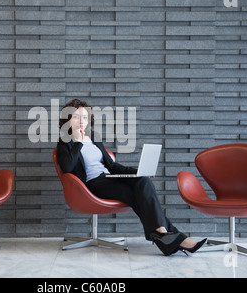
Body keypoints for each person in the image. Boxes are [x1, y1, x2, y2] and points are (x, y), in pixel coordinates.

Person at [56, 98, 206, 256]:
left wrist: (139, 171)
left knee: (143, 181)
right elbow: (67, 167)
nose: (81, 121)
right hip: (92, 184)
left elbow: (112, 166)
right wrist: (78, 141)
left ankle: (163, 235)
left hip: (108, 177)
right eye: (76, 117)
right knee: (132, 193)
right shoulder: (65, 141)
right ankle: (172, 237)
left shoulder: (94, 137)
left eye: (85, 117)